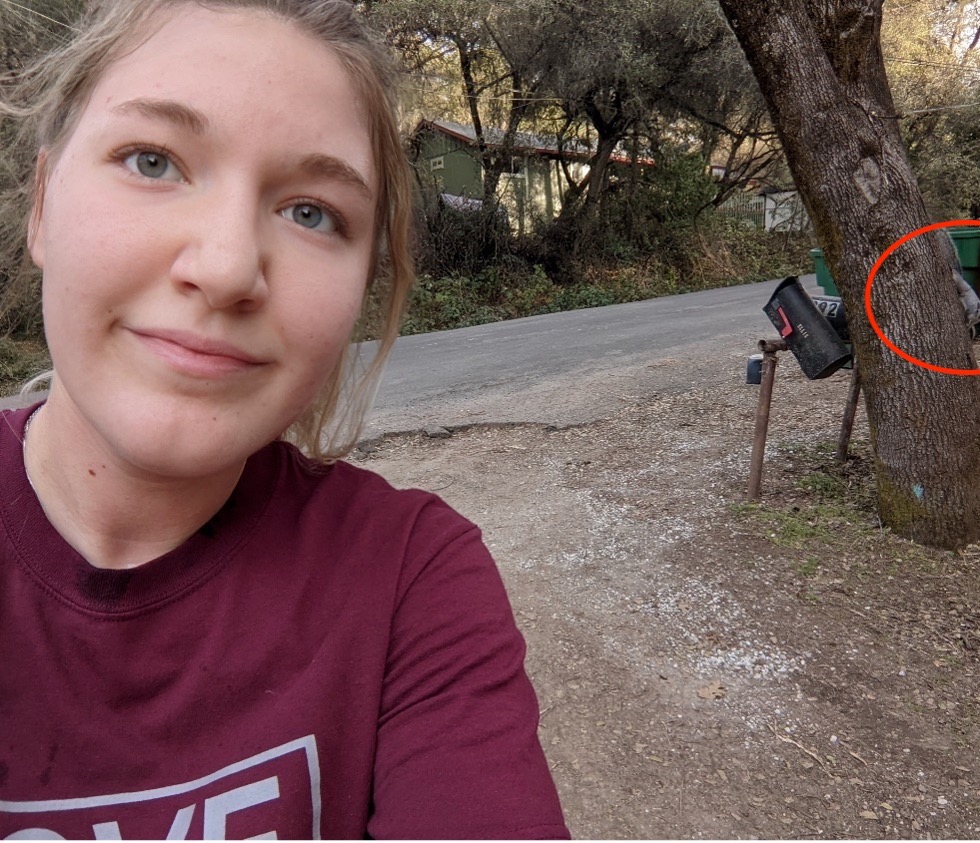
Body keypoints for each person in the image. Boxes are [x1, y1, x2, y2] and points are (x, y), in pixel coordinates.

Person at [0, 0, 568, 838]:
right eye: (153, 160)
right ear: (44, 204)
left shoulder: (411, 579)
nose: (228, 267)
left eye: (311, 212)